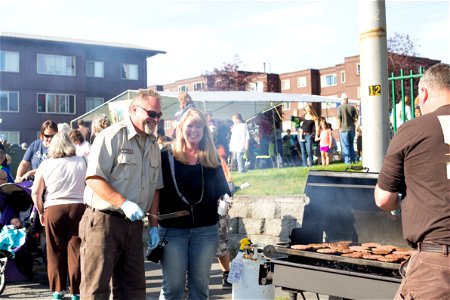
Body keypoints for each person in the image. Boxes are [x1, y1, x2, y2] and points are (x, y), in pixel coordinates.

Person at [374, 63, 450, 299]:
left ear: (424, 93)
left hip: (437, 266)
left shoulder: (413, 129)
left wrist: (401, 200)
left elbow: (384, 199)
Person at [79, 89, 163, 299]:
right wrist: (124, 203)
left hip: (134, 227)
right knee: (96, 289)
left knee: (133, 290)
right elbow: (94, 178)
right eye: (151, 113)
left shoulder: (153, 144)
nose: (155, 119)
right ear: (134, 109)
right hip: (104, 222)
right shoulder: (112, 136)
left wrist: (154, 227)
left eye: (158, 115)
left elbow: (155, 188)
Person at [149, 108, 230, 300]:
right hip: (173, 230)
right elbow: (155, 192)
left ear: (205, 130)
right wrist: (153, 226)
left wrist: (226, 201)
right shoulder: (165, 156)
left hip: (205, 230)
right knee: (173, 287)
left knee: (200, 288)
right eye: (190, 125)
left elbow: (223, 191)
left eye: (199, 126)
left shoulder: (210, 158)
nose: (194, 130)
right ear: (180, 128)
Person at [31, 132, 87, 300]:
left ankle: (57, 290)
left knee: (55, 250)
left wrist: (41, 211)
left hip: (53, 208)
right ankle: (76, 291)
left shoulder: (46, 164)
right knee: (76, 250)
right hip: (79, 207)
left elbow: (35, 193)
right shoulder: (83, 161)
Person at [337, 95, 358, 164]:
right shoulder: (352, 107)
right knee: (351, 145)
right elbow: (356, 118)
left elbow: (339, 119)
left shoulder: (340, 108)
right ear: (347, 100)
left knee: (345, 146)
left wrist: (339, 128)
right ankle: (354, 160)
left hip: (343, 129)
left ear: (342, 100)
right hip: (352, 128)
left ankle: (347, 161)